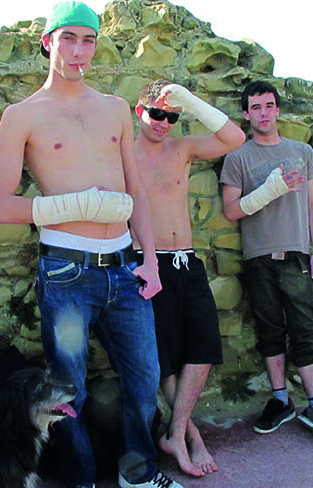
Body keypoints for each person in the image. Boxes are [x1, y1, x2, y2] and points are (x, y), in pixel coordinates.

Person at [0, 3, 182, 488]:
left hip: (125, 268)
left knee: (144, 381)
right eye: (69, 38)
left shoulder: (115, 108)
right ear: (48, 42)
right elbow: (1, 205)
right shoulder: (22, 115)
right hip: (66, 271)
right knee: (67, 390)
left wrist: (150, 260)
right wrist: (77, 205)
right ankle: (81, 479)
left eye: (89, 40)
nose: (79, 50)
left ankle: (138, 471)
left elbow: (136, 192)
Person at [220, 80, 313, 446]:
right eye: (256, 107)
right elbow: (231, 211)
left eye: (269, 105)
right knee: (269, 330)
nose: (264, 113)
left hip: (296, 254)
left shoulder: (301, 152)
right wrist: (270, 190)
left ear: (277, 110)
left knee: (305, 329)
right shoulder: (237, 158)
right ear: (246, 114)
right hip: (258, 257)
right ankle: (280, 400)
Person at [133, 80, 245, 476]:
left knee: (203, 346)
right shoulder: (124, 155)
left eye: (172, 117)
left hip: (186, 261)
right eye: (157, 113)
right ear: (139, 111)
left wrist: (190, 100)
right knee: (165, 357)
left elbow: (234, 137)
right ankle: (190, 438)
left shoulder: (182, 149)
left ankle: (176, 432)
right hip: (148, 261)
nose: (164, 122)